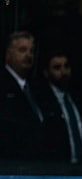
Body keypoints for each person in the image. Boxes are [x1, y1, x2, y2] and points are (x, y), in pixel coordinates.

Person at [0, 31, 44, 161]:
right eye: (22, 50)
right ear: (8, 54)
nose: (28, 55)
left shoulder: (36, 87)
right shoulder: (3, 84)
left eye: (31, 51)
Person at [36, 50, 82, 164]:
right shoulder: (42, 102)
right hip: (58, 167)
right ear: (46, 72)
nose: (64, 72)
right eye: (57, 68)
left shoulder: (79, 98)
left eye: (66, 66)